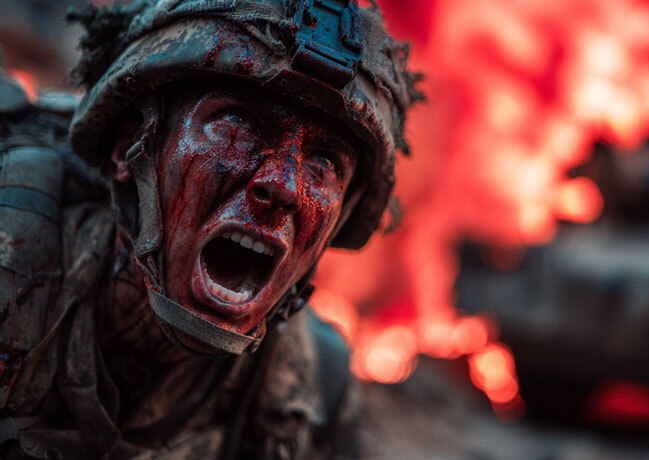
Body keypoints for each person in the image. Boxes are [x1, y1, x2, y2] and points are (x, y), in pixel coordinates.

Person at [0, 0, 422, 458]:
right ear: (129, 146)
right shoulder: (14, 262)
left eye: (325, 162)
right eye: (238, 122)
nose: (284, 187)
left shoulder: (315, 389)